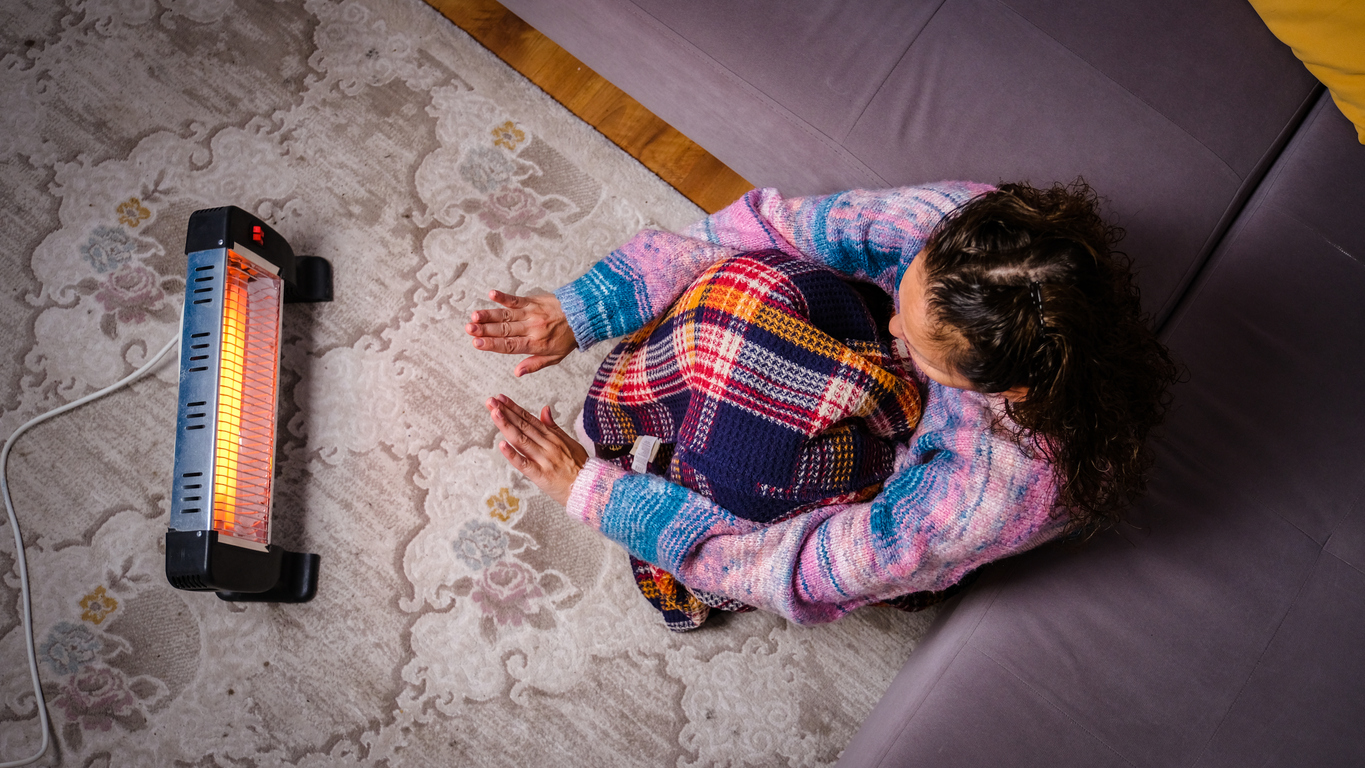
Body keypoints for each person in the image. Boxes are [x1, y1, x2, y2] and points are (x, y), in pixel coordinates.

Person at [467, 179, 1179, 628]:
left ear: (1005, 389)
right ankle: (714, 413)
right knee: (747, 291)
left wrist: (598, 493)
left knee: (744, 454)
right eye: (905, 301)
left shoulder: (992, 487)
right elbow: (766, 229)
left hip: (893, 481)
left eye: (920, 342)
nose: (896, 327)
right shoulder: (958, 227)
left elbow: (794, 569)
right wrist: (583, 305)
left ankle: (707, 469)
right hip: (883, 385)